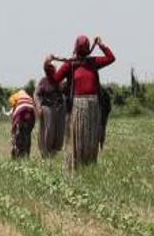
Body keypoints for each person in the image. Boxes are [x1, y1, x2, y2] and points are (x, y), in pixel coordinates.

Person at [49, 35, 116, 170]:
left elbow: (54, 79)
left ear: (75, 48)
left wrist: (49, 65)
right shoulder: (78, 64)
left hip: (87, 106)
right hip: (87, 106)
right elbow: (110, 57)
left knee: (85, 138)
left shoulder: (83, 63)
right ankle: (82, 166)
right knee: (83, 138)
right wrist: (101, 45)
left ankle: (85, 166)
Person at [35, 60, 66, 156]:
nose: (53, 70)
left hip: (59, 109)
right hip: (47, 108)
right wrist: (39, 106)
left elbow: (64, 92)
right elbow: (36, 94)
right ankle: (45, 152)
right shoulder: (43, 81)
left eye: (54, 69)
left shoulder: (59, 80)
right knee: (48, 130)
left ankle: (54, 152)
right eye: (51, 68)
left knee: (59, 131)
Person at [7, 90, 36, 159]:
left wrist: (13, 126)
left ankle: (16, 155)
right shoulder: (29, 97)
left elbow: (13, 107)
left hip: (21, 113)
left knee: (17, 134)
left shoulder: (15, 96)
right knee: (27, 135)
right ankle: (26, 155)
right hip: (30, 113)